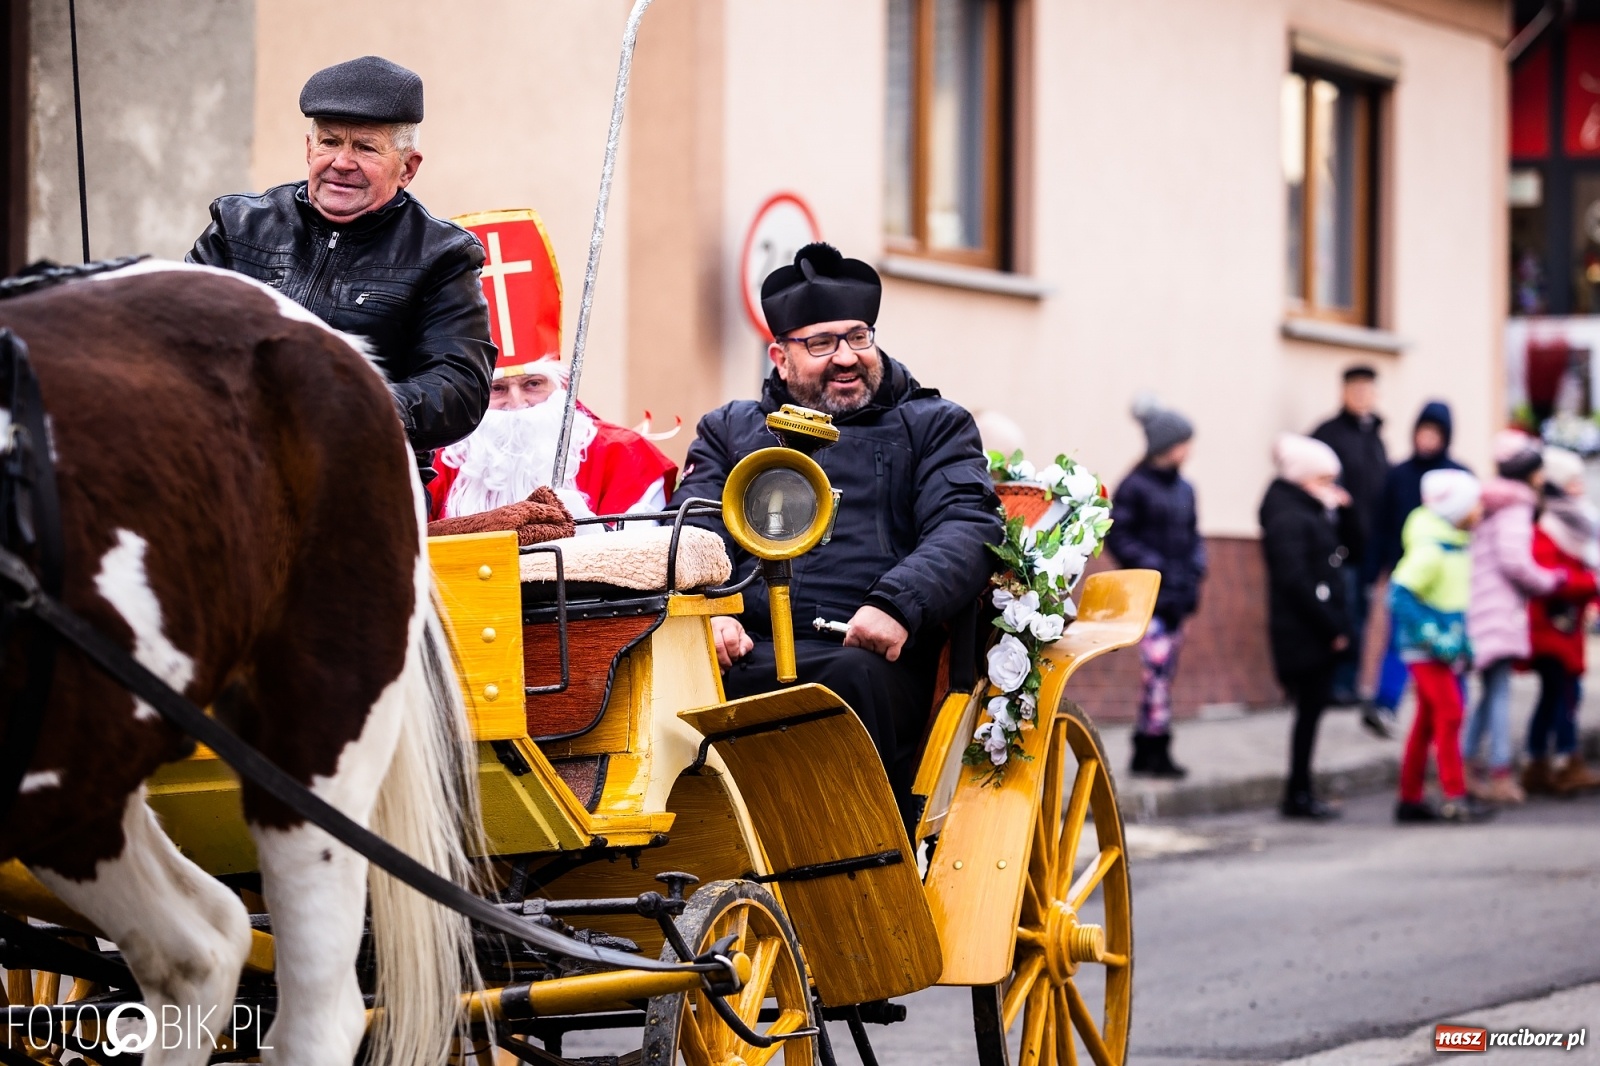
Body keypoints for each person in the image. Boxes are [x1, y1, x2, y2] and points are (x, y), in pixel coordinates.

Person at [674, 243, 1002, 831]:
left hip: (869, 656)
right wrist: (710, 611)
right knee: (669, 678)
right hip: (743, 644)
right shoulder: (728, 430)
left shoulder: (934, 425)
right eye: (822, 343)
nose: (847, 357)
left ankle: (866, 855)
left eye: (858, 337)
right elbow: (692, 525)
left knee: (844, 683)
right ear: (780, 357)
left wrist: (895, 604)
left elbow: (967, 524)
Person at [187, 55, 495, 476]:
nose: (342, 162)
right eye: (330, 142)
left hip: (363, 482)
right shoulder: (237, 225)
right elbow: (175, 334)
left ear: (407, 168)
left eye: (365, 147)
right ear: (308, 148)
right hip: (228, 468)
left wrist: (349, 406)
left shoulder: (444, 255)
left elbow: (459, 388)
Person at [428, 355, 678, 523]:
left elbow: (638, 558)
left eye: (533, 384)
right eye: (497, 388)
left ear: (560, 387)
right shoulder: (433, 462)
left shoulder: (624, 454)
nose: (517, 403)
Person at [1106, 396, 1204, 779]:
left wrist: (1196, 568)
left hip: (1179, 596)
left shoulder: (1185, 489)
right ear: (1167, 445)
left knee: (1163, 675)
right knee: (1156, 675)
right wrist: (1156, 566)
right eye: (1184, 443)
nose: (1189, 450)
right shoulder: (1135, 487)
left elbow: (1194, 535)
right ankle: (1155, 748)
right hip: (1149, 597)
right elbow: (1119, 535)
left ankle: (1146, 747)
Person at [1465, 431, 1564, 805]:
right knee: (1499, 692)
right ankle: (1500, 772)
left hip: (1482, 603)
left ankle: (1465, 764)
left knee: (1490, 691)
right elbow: (1515, 561)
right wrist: (1550, 580)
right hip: (1500, 609)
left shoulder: (1492, 501)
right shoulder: (1516, 505)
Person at [1259, 435, 1357, 819]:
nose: (1331, 488)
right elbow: (1296, 580)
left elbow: (1354, 546)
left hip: (1313, 628)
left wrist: (1344, 512)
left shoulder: (1312, 511)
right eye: (1324, 480)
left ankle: (1301, 789)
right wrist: (1332, 628)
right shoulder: (1289, 516)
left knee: (1311, 715)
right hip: (1303, 632)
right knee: (1308, 715)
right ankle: (1297, 793)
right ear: (1303, 478)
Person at [1391, 469, 1492, 823]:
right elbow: (1399, 595)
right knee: (1451, 714)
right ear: (1455, 508)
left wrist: (1462, 641)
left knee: (1426, 722)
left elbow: (1452, 602)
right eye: (1474, 504)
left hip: (1443, 649)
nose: (1480, 510)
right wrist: (1432, 635)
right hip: (1425, 651)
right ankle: (1454, 795)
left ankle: (1409, 798)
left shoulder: (1456, 545)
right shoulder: (1431, 550)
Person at [1366, 402, 1469, 736]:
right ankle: (1385, 705)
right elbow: (1381, 525)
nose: (1427, 439)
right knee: (1400, 642)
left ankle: (1454, 714)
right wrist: (1374, 570)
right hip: (1408, 574)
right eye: (1423, 432)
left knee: (1449, 648)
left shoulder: (1458, 477)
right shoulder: (1399, 475)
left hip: (1446, 586)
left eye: (1434, 433)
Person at [1523, 446, 1600, 795]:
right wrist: (1590, 584)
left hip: (1568, 625)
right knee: (1565, 693)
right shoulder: (1548, 526)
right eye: (1572, 482)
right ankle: (1564, 759)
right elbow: (1551, 577)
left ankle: (1538, 759)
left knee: (1556, 694)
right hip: (1550, 626)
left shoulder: (1577, 523)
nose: (1579, 488)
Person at [1311, 365, 1389, 707]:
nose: (1361, 396)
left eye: (1367, 390)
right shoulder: (1328, 434)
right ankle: (1333, 686)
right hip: (1338, 545)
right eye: (1355, 389)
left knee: (1360, 616)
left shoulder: (1376, 439)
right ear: (1343, 392)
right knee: (1339, 615)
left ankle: (1352, 684)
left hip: (1368, 548)